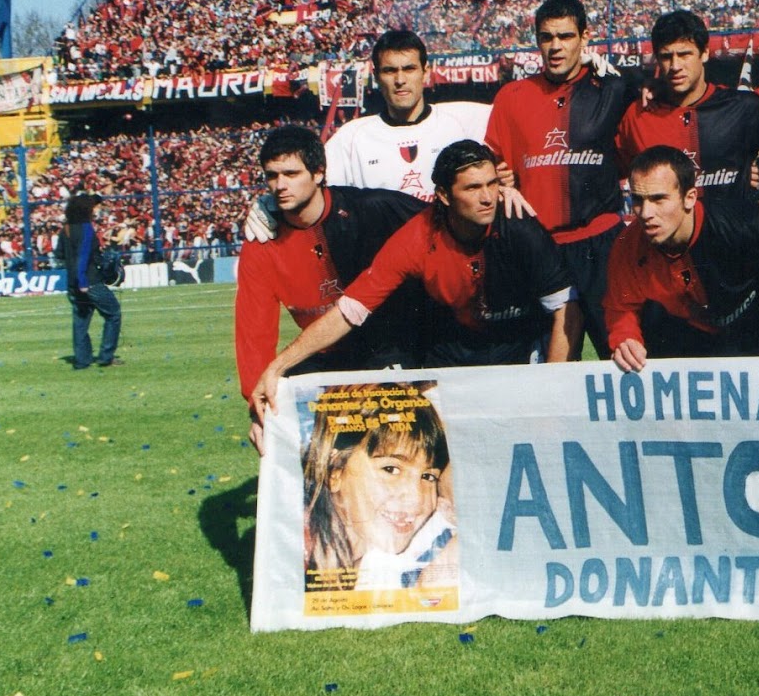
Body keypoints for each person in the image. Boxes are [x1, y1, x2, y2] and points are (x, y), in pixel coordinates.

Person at [251, 141, 579, 422]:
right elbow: (349, 312)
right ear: (443, 196)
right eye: (472, 188)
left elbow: (566, 307)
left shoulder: (519, 224)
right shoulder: (415, 239)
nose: (488, 197)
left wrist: (547, 389)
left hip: (517, 342)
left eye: (492, 184)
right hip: (455, 351)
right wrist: (278, 367)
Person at [235, 126, 426, 449]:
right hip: (326, 355)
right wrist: (257, 407)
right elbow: (253, 331)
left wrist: (502, 193)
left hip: (387, 347)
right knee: (282, 397)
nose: (280, 185)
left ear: (319, 172)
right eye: (272, 176)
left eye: (291, 173)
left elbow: (447, 220)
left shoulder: (370, 209)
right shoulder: (261, 242)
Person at [485, 0, 637, 357]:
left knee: (621, 354)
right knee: (545, 366)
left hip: (601, 243)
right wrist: (500, 180)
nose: (555, 46)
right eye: (547, 37)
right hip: (539, 247)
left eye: (566, 36)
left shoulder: (613, 90)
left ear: (585, 37)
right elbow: (492, 160)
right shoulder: (512, 96)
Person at [605, 146, 759, 372]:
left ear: (690, 197)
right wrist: (625, 337)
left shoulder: (740, 224)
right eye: (638, 200)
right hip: (703, 332)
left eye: (658, 199)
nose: (645, 213)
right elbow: (620, 307)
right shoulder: (628, 245)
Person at [301, 382, 457, 594]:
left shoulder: (384, 554)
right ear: (334, 472)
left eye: (428, 476)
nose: (415, 498)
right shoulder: (297, 548)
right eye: (391, 469)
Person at [613, 9, 759, 206]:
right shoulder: (637, 116)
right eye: (666, 56)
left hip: (729, 235)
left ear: (705, 53)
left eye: (684, 54)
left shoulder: (743, 108)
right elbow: (605, 172)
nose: (675, 65)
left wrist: (742, 171)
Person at [324, 29, 492, 201]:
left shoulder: (463, 121)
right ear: (376, 77)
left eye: (409, 69)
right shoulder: (350, 138)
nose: (400, 80)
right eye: (389, 71)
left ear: (425, 72)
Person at [57, 193, 123, 370]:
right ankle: (106, 356)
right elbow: (84, 255)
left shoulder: (66, 229)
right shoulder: (86, 228)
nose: (95, 211)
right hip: (89, 281)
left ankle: (82, 360)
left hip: (72, 283)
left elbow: (60, 255)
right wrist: (83, 280)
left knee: (81, 321)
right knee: (113, 313)